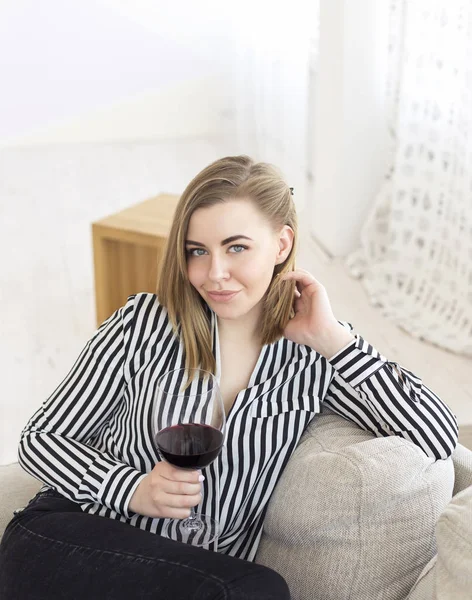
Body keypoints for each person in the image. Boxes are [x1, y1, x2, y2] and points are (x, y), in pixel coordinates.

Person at [0, 155, 458, 599]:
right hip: (70, 540)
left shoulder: (314, 356)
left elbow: (437, 436)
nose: (214, 274)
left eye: (236, 247)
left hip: (193, 577)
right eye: (197, 252)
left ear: (281, 245)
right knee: (255, 588)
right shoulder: (143, 323)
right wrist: (133, 489)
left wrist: (335, 340)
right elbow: (39, 439)